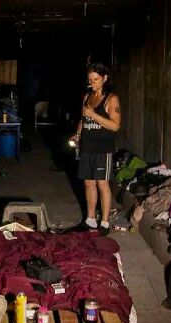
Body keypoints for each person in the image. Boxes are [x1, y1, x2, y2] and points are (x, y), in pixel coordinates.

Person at [70, 63, 121, 235]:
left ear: (105, 78)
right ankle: (90, 219)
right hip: (87, 146)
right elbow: (83, 120)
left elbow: (115, 126)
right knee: (88, 183)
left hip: (102, 148)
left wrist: (94, 115)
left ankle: (105, 223)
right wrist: (77, 135)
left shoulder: (111, 99)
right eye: (90, 80)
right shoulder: (86, 97)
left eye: (96, 79)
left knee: (102, 183)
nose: (93, 83)